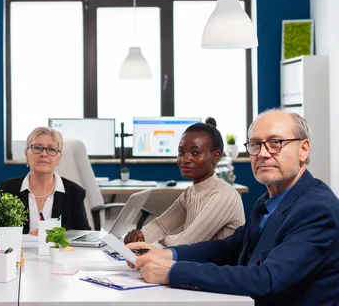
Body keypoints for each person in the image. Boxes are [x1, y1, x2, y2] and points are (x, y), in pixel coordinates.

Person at [127, 110, 339, 305]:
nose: (263, 153)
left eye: (275, 143)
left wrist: (172, 271)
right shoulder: (268, 201)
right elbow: (228, 249)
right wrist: (168, 254)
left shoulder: (316, 209)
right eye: (255, 144)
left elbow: (267, 279)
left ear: (303, 149)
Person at [124, 118, 245, 246]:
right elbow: (162, 225)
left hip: (215, 266)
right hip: (194, 263)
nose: (185, 159)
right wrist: (142, 235)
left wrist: (153, 241)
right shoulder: (190, 193)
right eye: (181, 152)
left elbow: (186, 242)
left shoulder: (224, 195)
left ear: (215, 156)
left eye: (195, 152)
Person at [0, 127, 90, 235]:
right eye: (37, 148)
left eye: (51, 149)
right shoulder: (8, 189)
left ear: (59, 158)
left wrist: (54, 236)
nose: (44, 154)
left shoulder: (74, 192)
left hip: (59, 252)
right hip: (20, 252)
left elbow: (84, 235)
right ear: (26, 154)